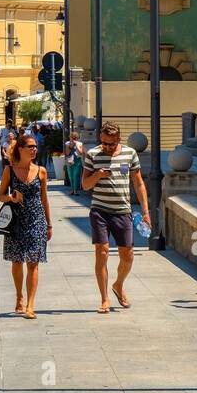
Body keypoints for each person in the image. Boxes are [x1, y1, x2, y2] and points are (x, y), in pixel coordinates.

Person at [80, 121, 149, 313]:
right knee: (102, 252)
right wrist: (98, 176)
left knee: (127, 257)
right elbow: (85, 185)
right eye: (104, 143)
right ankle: (104, 299)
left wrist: (146, 212)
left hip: (123, 211)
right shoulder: (93, 155)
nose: (107, 147)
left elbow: (139, 184)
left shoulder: (130, 154)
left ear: (118, 139)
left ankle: (118, 285)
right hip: (99, 210)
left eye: (111, 143)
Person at [0, 133, 51, 318]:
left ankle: (30, 304)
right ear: (20, 149)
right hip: (16, 220)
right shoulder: (9, 170)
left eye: (35, 146)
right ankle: (19, 296)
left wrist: (49, 224)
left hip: (36, 219)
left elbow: (44, 199)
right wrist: (11, 198)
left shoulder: (41, 171)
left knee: (33, 263)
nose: (34, 149)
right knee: (17, 261)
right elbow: (1, 196)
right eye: (30, 146)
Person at [64, 131, 83, 196]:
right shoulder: (67, 143)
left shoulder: (80, 143)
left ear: (77, 138)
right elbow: (67, 153)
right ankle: (72, 190)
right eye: (72, 138)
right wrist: (70, 146)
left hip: (77, 161)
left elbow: (81, 153)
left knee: (76, 176)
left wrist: (77, 145)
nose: (73, 139)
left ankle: (75, 191)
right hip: (70, 161)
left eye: (75, 138)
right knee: (71, 176)